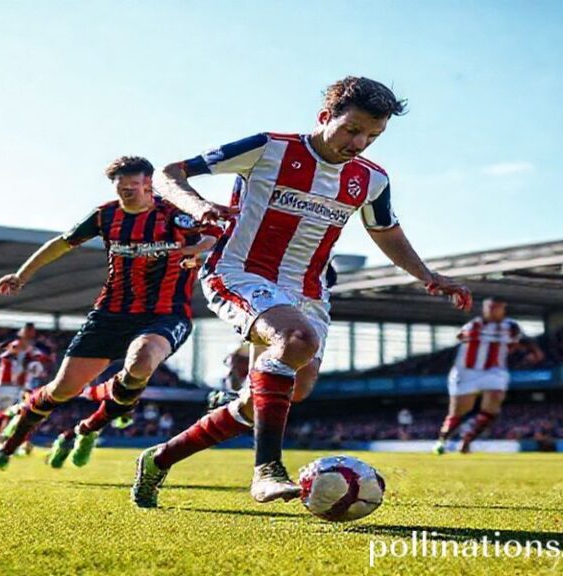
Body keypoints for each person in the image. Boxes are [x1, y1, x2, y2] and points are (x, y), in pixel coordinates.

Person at [133, 75, 472, 507]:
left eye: (373, 135)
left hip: (308, 291)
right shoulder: (270, 148)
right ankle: (266, 471)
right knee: (296, 341)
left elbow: (385, 231)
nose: (361, 142)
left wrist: (428, 275)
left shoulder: (372, 179)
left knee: (279, 395)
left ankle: (159, 459)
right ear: (325, 116)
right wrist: (199, 206)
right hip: (239, 271)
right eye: (353, 129)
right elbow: (168, 174)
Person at [0, 156, 219, 469]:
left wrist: (191, 250)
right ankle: (9, 444)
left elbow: (214, 234)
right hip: (110, 314)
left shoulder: (175, 214)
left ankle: (89, 428)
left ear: (149, 185)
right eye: (121, 189)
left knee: (140, 361)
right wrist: (22, 274)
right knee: (62, 390)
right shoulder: (105, 215)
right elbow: (63, 242)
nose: (126, 195)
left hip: (165, 313)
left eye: (132, 189)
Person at [434, 296, 544, 454]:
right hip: (466, 371)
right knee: (460, 411)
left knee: (493, 405)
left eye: (496, 307)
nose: (493, 310)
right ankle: (442, 440)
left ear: (503, 308)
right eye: (490, 307)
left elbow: (522, 341)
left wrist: (534, 352)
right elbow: (462, 338)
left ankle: (467, 439)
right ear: (485, 309)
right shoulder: (473, 326)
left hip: (494, 370)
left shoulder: (511, 326)